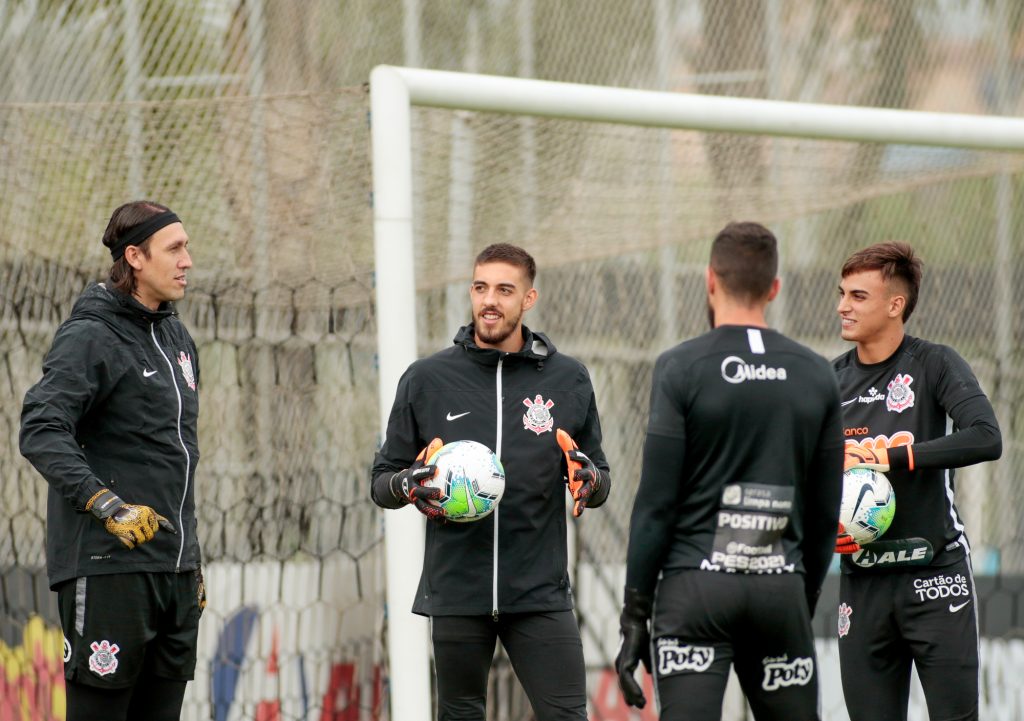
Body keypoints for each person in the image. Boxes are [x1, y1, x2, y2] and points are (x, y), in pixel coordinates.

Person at [371, 243, 611, 721]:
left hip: (539, 590)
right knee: (460, 714)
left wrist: (589, 481)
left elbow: (597, 474)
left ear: (529, 299)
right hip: (458, 588)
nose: (489, 301)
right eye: (481, 287)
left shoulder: (568, 379)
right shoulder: (427, 379)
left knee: (567, 715)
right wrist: (408, 485)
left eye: (505, 290)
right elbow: (382, 481)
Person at [615, 221, 844, 721]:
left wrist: (635, 615)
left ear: (710, 280)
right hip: (779, 591)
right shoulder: (817, 372)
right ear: (774, 288)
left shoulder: (680, 367)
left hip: (694, 591)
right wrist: (797, 602)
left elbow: (655, 506)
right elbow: (828, 510)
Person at [20, 201, 203, 721]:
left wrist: (189, 558)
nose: (188, 260)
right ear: (135, 257)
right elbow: (40, 429)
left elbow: (175, 459)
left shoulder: (176, 337)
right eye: (175, 248)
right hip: (109, 569)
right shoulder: (90, 335)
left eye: (187, 246)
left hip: (172, 570)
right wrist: (106, 505)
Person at [832, 242, 1001, 721]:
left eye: (858, 296)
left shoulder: (934, 364)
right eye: (842, 293)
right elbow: (800, 472)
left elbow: (986, 437)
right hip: (863, 584)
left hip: (936, 575)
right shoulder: (828, 383)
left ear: (895, 304)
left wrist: (893, 456)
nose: (842, 306)